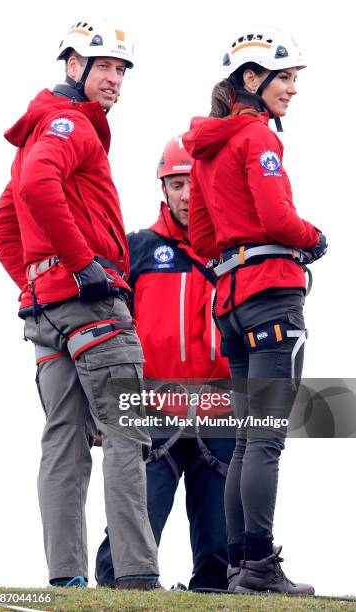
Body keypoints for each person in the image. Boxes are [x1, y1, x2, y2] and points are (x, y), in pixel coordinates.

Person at [0, 17, 160, 590]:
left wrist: (38, 285)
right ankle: (137, 579)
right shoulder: (69, 125)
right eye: (105, 66)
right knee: (127, 432)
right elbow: (38, 190)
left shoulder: (40, 130)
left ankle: (66, 580)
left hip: (48, 316)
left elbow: (2, 229)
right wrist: (82, 266)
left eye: (121, 68)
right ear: (72, 66)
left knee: (62, 440)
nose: (115, 79)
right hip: (92, 307)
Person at [182, 25, 327, 595]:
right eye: (285, 77)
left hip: (231, 302)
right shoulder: (258, 139)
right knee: (264, 438)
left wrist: (236, 251)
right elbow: (276, 217)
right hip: (271, 295)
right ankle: (260, 568)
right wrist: (312, 236)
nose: (292, 88)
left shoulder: (208, 145)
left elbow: (198, 234)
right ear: (252, 78)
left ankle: (243, 567)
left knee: (246, 438)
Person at [95, 136, 236, 591]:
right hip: (151, 406)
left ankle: (213, 596)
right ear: (164, 189)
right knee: (135, 526)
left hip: (220, 409)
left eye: (194, 183)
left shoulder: (235, 253)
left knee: (219, 539)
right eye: (177, 184)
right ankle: (112, 593)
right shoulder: (136, 249)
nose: (187, 195)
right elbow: (104, 329)